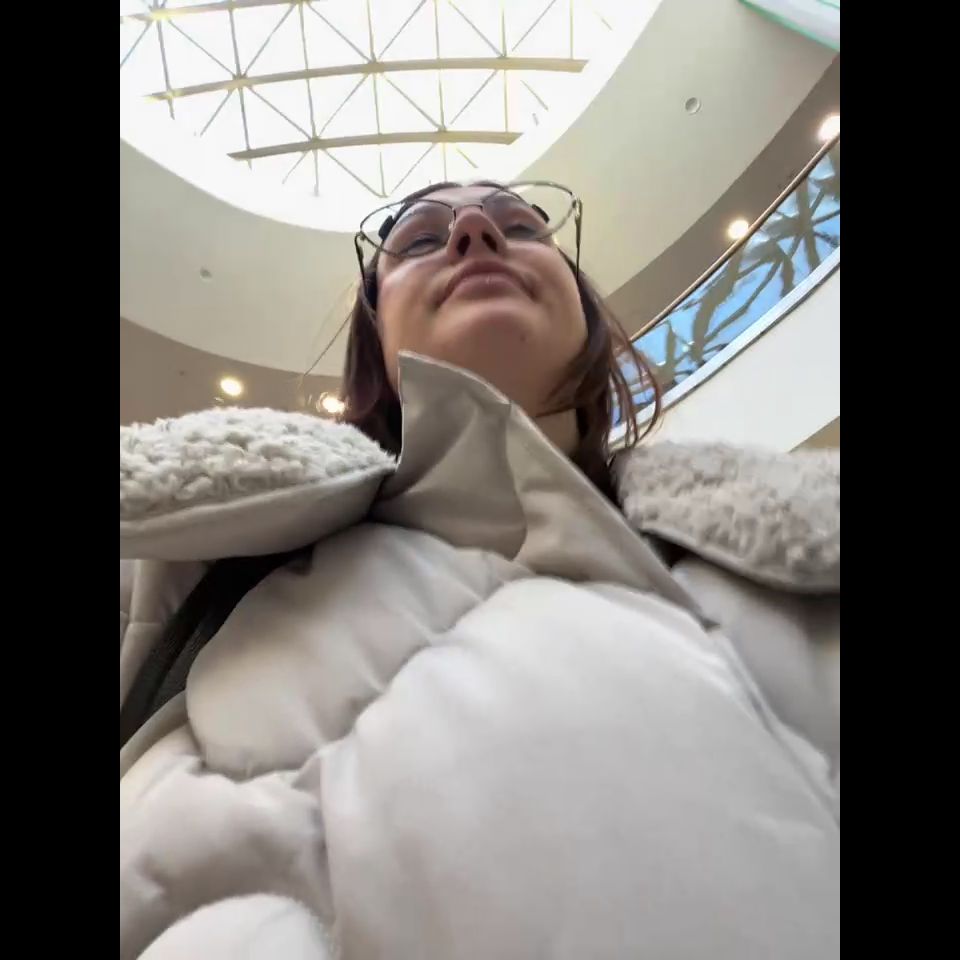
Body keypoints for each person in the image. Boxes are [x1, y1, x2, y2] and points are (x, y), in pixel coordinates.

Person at [120, 180, 839, 960]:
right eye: (422, 239)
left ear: (585, 312)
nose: (473, 232)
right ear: (375, 334)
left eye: (520, 227)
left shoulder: (798, 541)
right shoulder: (201, 557)